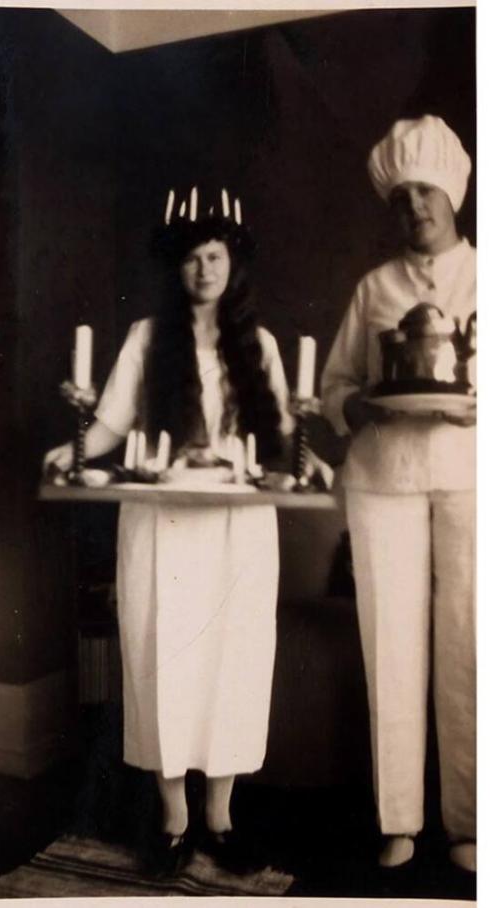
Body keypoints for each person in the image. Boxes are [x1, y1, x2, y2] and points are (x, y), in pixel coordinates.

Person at [44, 194, 294, 877]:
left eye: (215, 256)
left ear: (232, 265)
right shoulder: (148, 339)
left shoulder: (260, 346)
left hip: (237, 531)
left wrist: (310, 457)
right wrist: (76, 451)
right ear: (175, 268)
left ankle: (221, 819)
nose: (204, 268)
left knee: (230, 662)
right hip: (164, 528)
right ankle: (174, 817)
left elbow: (282, 440)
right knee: (166, 659)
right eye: (191, 257)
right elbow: (110, 426)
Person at [321, 116, 476, 872]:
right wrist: (359, 406)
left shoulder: (484, 277)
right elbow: (336, 386)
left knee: (469, 645)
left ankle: (471, 822)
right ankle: (399, 818)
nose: (418, 204)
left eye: (430, 191)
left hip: (471, 474)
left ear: (456, 192)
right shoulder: (374, 288)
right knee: (391, 641)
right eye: (405, 194)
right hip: (382, 478)